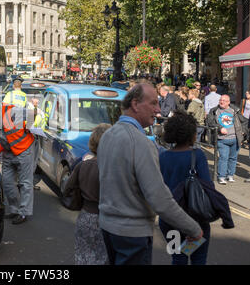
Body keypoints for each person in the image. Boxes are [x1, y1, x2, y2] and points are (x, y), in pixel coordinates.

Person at [97, 83, 202, 265]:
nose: (158, 109)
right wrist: (193, 228)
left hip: (108, 227)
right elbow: (159, 198)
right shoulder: (141, 143)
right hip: (132, 233)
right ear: (136, 104)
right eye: (153, 103)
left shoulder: (108, 135)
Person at [159, 111, 213, 265]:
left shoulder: (162, 157)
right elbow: (208, 186)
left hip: (169, 219)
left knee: (178, 257)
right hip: (195, 219)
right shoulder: (198, 156)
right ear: (191, 134)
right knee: (198, 258)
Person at [63, 123, 111, 265]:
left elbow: (67, 189)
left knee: (83, 257)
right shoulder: (111, 169)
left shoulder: (82, 166)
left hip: (85, 217)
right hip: (106, 219)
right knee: (103, 258)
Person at [0, 102, 37, 224]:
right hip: (8, 151)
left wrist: (29, 124)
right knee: (7, 182)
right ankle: (14, 209)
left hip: (24, 149)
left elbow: (32, 113)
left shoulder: (10, 111)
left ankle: (23, 213)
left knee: (25, 183)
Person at [206, 95, 244, 185]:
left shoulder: (235, 110)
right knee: (223, 158)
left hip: (235, 138)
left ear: (228, 102)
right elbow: (210, 122)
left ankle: (230, 175)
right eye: (220, 100)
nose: (221, 102)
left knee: (233, 158)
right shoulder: (214, 110)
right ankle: (221, 176)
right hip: (222, 139)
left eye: (224, 100)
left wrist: (244, 132)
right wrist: (220, 128)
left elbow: (244, 121)